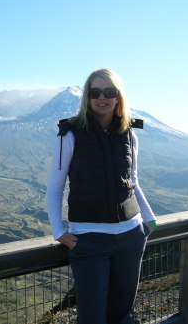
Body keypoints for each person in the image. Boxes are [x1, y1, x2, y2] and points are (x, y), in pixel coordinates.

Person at [46, 68, 157, 324]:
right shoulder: (70, 134)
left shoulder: (130, 134)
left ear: (119, 96)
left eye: (109, 91)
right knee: (92, 318)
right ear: (87, 97)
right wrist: (58, 231)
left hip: (131, 236)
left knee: (122, 316)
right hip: (89, 242)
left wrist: (149, 222)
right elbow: (55, 188)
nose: (102, 98)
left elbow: (133, 182)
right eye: (95, 92)